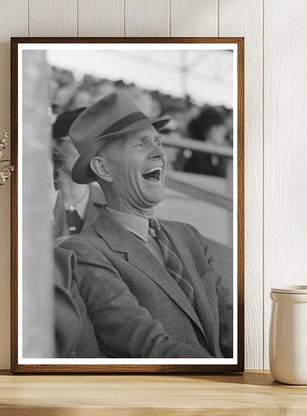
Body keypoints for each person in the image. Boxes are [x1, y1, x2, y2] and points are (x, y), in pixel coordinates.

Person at [61, 92, 233, 358]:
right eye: (140, 144)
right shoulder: (85, 252)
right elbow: (149, 347)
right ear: (103, 169)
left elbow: (232, 327)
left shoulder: (189, 236)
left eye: (158, 141)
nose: (159, 152)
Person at [51, 144, 104, 358]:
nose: (87, 151)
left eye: (92, 144)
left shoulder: (113, 204)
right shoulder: (38, 204)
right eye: (76, 143)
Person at [52, 108, 105, 239]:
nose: (89, 151)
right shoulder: (35, 202)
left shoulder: (111, 205)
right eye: (80, 142)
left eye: (96, 143)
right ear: (56, 145)